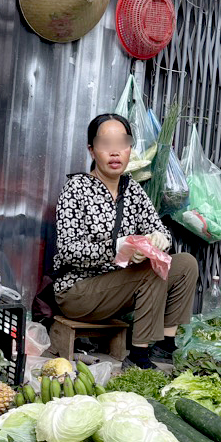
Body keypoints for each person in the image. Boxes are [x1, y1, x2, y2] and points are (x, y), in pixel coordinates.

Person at [53, 113, 198, 369]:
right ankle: (139, 357)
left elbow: (159, 228)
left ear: (130, 148)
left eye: (122, 143)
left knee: (185, 263)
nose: (115, 152)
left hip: (120, 290)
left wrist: (161, 238)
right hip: (78, 292)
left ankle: (166, 345)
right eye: (106, 144)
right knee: (148, 270)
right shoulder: (77, 188)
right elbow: (67, 250)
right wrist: (115, 249)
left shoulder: (133, 190)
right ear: (91, 149)